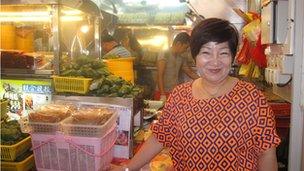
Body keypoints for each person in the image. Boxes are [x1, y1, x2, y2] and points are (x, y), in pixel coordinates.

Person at [112, 18, 281, 171]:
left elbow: (266, 153)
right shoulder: (180, 95)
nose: (215, 61)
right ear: (195, 56)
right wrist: (127, 168)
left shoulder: (252, 98)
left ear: (232, 56)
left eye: (223, 53)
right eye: (206, 52)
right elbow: (160, 137)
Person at [155, 32, 199, 101]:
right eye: (185, 47)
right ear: (178, 44)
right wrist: (162, 94)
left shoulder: (181, 57)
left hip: (174, 92)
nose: (185, 50)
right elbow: (160, 75)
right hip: (162, 92)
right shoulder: (164, 54)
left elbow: (190, 72)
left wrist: (203, 80)